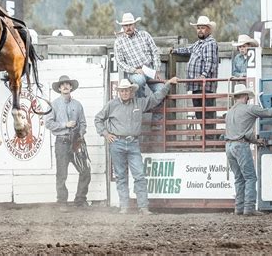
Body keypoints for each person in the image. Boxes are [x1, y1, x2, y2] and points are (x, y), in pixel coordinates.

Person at [94, 77, 178, 214]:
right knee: (121, 176)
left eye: (127, 90)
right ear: (119, 92)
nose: (125, 93)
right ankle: (124, 207)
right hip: (117, 143)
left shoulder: (139, 103)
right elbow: (98, 119)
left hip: (133, 143)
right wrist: (105, 134)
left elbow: (155, 98)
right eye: (122, 91)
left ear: (131, 91)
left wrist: (167, 85)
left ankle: (143, 207)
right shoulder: (112, 105)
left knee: (139, 175)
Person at [225, 83, 272, 216]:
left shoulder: (229, 112)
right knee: (250, 177)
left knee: (239, 178)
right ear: (245, 96)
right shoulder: (249, 109)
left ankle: (239, 208)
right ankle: (249, 208)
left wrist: (255, 141)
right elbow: (269, 112)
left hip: (229, 146)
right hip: (240, 146)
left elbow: (241, 132)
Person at [45, 75, 91, 210]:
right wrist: (66, 124)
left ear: (71, 87)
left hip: (76, 143)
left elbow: (83, 123)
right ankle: (62, 202)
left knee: (85, 171)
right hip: (62, 143)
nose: (65, 86)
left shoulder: (78, 105)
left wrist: (81, 134)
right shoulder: (54, 105)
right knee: (62, 174)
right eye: (62, 85)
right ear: (59, 88)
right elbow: (48, 123)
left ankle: (80, 200)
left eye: (67, 84)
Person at [171, 15, 219, 135]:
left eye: (202, 28)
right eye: (198, 28)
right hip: (196, 86)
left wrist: (203, 75)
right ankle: (207, 138)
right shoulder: (199, 43)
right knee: (199, 113)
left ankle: (210, 140)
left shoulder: (211, 43)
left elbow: (211, 61)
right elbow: (188, 49)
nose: (200, 30)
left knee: (207, 113)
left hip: (205, 86)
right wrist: (176, 51)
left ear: (208, 29)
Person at [113, 12, 163, 125]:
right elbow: (120, 62)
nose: (128, 27)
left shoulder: (144, 35)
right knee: (139, 80)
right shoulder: (119, 42)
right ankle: (143, 105)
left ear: (134, 25)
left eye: (130, 24)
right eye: (125, 25)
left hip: (149, 69)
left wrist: (157, 69)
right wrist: (134, 70)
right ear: (122, 27)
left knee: (161, 89)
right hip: (135, 71)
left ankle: (156, 120)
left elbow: (154, 51)